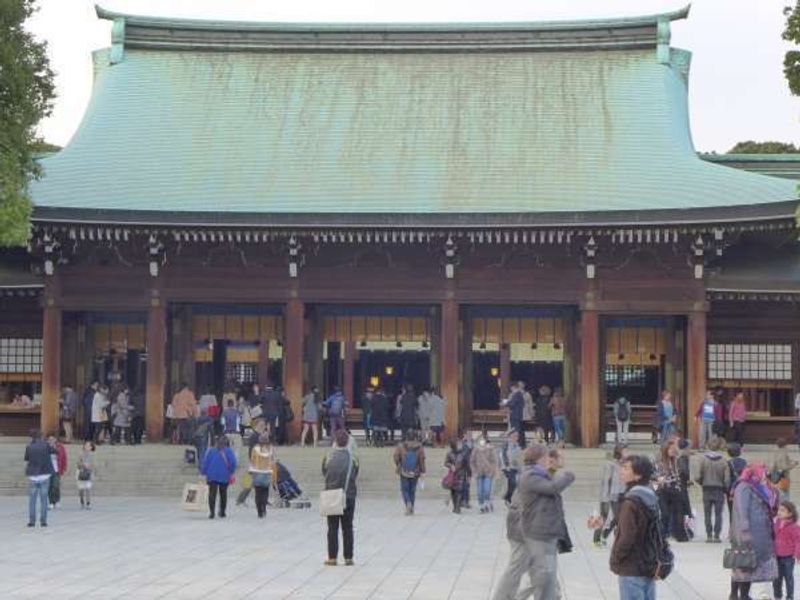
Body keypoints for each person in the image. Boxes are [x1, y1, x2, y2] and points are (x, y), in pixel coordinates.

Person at [517, 443, 574, 600]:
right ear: (539, 458)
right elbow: (552, 487)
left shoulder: (538, 473)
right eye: (546, 457)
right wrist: (569, 476)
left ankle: (553, 595)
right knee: (543, 574)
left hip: (547, 532)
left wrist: (556, 466)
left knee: (547, 573)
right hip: (539, 533)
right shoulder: (530, 476)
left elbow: (548, 477)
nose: (547, 460)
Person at [609, 455, 664, 600]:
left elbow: (627, 537)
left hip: (631, 567)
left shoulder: (631, 502)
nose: (621, 471)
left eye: (626, 468)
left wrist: (616, 557)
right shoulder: (650, 497)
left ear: (638, 475)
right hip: (648, 564)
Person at [730, 463, 779, 600]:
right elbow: (742, 509)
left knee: (746, 562)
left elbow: (769, 505)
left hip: (758, 530)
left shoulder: (757, 486)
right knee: (743, 562)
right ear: (756, 472)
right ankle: (739, 595)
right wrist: (745, 530)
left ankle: (740, 595)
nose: (765, 475)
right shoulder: (744, 486)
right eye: (763, 472)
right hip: (747, 531)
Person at [323, 429, 359, 566]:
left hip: (332, 494)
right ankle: (348, 557)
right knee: (347, 527)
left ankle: (332, 557)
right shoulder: (353, 459)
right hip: (348, 495)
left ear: (335, 441)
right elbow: (355, 474)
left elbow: (324, 472)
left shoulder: (328, 457)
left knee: (332, 527)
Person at [696, 436, 731, 543]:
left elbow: (698, 476)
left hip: (706, 488)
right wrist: (726, 488)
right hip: (719, 489)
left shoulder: (703, 459)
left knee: (707, 513)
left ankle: (709, 535)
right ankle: (717, 535)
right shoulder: (724, 461)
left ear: (708, 446)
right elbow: (727, 479)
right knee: (718, 513)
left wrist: (702, 483)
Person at [655, 439, 689, 542]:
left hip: (675, 488)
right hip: (663, 488)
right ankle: (662, 534)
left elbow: (679, 474)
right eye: (670, 450)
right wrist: (659, 478)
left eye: (673, 450)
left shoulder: (676, 460)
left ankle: (680, 534)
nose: (672, 452)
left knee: (679, 512)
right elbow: (654, 473)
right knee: (664, 513)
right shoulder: (659, 461)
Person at [595, 443, 627, 547]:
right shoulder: (611, 464)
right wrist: (604, 496)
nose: (627, 453)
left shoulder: (626, 464)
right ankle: (598, 537)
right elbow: (606, 480)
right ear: (619, 452)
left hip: (623, 493)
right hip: (612, 494)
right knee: (606, 516)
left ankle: (607, 535)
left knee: (620, 518)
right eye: (625, 451)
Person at [201, 435, 237, 519]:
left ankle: (212, 512)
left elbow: (205, 462)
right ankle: (222, 511)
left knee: (212, 494)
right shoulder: (229, 451)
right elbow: (233, 463)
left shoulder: (211, 451)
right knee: (223, 494)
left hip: (212, 475)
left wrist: (203, 472)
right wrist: (231, 471)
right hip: (224, 475)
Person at [24, 430, 55, 527]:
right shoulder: (46, 445)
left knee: (32, 500)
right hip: (45, 475)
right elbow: (55, 451)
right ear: (41, 436)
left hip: (33, 475)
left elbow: (27, 458)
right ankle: (43, 521)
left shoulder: (29, 447)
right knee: (44, 499)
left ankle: (32, 521)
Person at [236, 418, 267, 506]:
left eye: (263, 425)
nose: (263, 427)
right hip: (254, 463)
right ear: (256, 426)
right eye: (261, 425)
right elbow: (252, 450)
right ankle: (240, 500)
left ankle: (240, 499)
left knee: (253, 482)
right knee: (250, 482)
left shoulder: (259, 436)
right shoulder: (255, 436)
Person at [393, 430, 426, 515]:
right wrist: (423, 470)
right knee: (412, 490)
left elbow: (396, 457)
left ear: (406, 436)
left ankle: (408, 503)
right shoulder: (420, 447)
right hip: (415, 471)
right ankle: (412, 508)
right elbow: (422, 459)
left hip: (404, 471)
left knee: (405, 489)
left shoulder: (401, 446)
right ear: (415, 437)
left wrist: (399, 464)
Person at [773, 500, 800, 600]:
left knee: (788, 577)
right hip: (776, 556)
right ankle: (777, 595)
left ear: (790, 513)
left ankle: (790, 596)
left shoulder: (794, 527)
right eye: (779, 510)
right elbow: (772, 536)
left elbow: (798, 541)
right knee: (776, 578)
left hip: (788, 557)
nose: (779, 512)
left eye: (783, 510)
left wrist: (797, 554)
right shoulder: (776, 523)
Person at [249, 433, 276, 519]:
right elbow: (272, 461)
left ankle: (259, 512)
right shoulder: (270, 449)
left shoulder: (255, 449)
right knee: (265, 492)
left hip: (256, 473)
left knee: (258, 493)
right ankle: (264, 508)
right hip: (266, 473)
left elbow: (252, 460)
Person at [471, 432, 499, 513]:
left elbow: (494, 461)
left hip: (488, 473)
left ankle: (487, 503)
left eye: (483, 440)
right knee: (480, 491)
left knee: (487, 490)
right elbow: (472, 461)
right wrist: (474, 471)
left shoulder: (490, 449)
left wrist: (493, 470)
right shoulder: (475, 449)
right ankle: (482, 506)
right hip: (479, 473)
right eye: (480, 440)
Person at [444, 438, 470, 514]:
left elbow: (467, 465)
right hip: (453, 474)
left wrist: (469, 474)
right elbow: (446, 462)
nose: (459, 445)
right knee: (453, 491)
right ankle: (455, 505)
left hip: (461, 474)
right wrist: (450, 465)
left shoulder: (464, 453)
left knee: (459, 491)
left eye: (460, 444)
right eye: (458, 444)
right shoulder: (449, 453)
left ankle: (457, 507)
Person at [499, 430, 522, 507]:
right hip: (507, 467)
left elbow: (519, 457)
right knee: (513, 482)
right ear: (510, 436)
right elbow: (503, 455)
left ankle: (508, 498)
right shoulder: (506, 444)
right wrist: (506, 465)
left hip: (515, 467)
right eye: (515, 436)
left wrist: (520, 467)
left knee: (513, 484)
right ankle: (507, 498)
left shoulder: (517, 446)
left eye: (517, 436)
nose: (516, 437)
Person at [727, 443, 747, 525]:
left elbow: (727, 477)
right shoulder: (744, 462)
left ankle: (732, 529)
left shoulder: (728, 463)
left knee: (731, 510)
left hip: (731, 489)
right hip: (742, 488)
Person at [47, 434, 67, 509]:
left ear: (55, 439)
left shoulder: (60, 447)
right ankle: (51, 502)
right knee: (49, 487)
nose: (51, 441)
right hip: (48, 470)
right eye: (49, 439)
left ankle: (57, 500)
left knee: (56, 486)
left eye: (53, 439)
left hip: (57, 470)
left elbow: (64, 458)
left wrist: (64, 468)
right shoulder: (45, 447)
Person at [504, 382, 525, 448]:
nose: (511, 390)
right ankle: (521, 444)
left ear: (513, 387)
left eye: (511, 388)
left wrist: (506, 403)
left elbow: (512, 404)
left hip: (515, 415)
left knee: (516, 430)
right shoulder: (520, 394)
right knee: (518, 430)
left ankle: (517, 444)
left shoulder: (517, 394)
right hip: (518, 414)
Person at [76, 441, 95, 509]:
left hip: (89, 473)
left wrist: (89, 467)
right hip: (81, 472)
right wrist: (83, 465)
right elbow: (78, 463)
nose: (87, 447)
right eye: (86, 445)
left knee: (88, 488)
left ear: (91, 447)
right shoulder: (80, 454)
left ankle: (88, 503)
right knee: (81, 489)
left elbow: (94, 464)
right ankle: (82, 501)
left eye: (89, 446)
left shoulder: (92, 455)